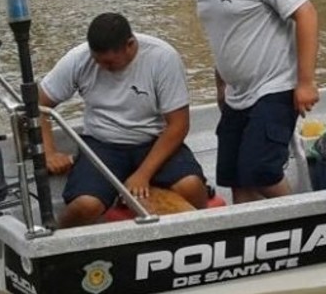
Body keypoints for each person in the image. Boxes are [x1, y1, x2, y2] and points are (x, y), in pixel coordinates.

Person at [171, 0, 319, 204]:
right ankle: (246, 236)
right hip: (236, 94)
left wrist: (305, 82)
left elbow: (306, 14)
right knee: (234, 176)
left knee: (260, 169)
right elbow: (222, 32)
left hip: (276, 85)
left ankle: (300, 217)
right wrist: (221, 83)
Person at [39, 12, 210, 228]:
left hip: (152, 142)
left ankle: (195, 233)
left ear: (130, 45)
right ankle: (57, 242)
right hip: (101, 145)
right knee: (86, 206)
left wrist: (143, 174)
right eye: (97, 61)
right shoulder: (78, 59)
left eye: (109, 63)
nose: (102, 67)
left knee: (191, 187)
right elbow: (39, 106)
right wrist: (49, 152)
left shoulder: (162, 57)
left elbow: (179, 124)